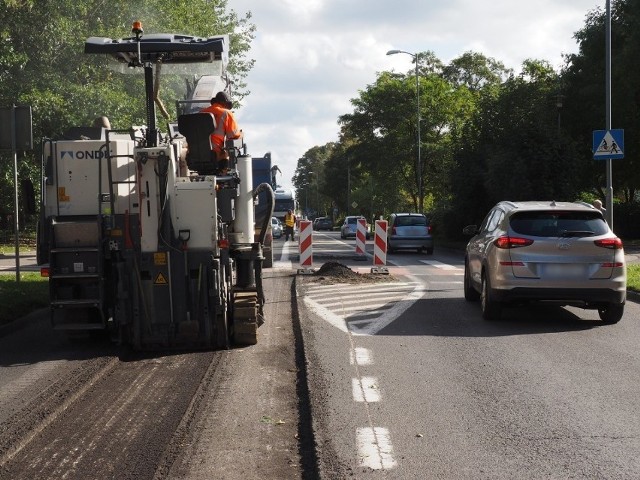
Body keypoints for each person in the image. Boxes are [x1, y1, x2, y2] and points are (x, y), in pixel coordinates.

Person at [200, 91, 242, 173]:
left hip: (196, 156)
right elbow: (233, 136)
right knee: (226, 154)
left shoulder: (200, 113)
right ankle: (223, 174)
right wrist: (241, 134)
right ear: (224, 103)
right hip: (215, 154)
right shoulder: (226, 113)